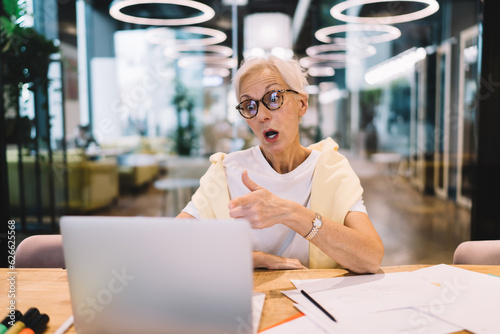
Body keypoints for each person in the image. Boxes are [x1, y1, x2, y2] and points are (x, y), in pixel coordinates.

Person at [177, 55, 384, 273]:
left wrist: (288, 213)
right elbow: (172, 244)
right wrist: (258, 259)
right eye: (249, 105)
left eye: (274, 98)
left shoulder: (330, 169)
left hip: (316, 301)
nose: (262, 116)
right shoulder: (227, 171)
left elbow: (370, 258)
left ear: (302, 104)